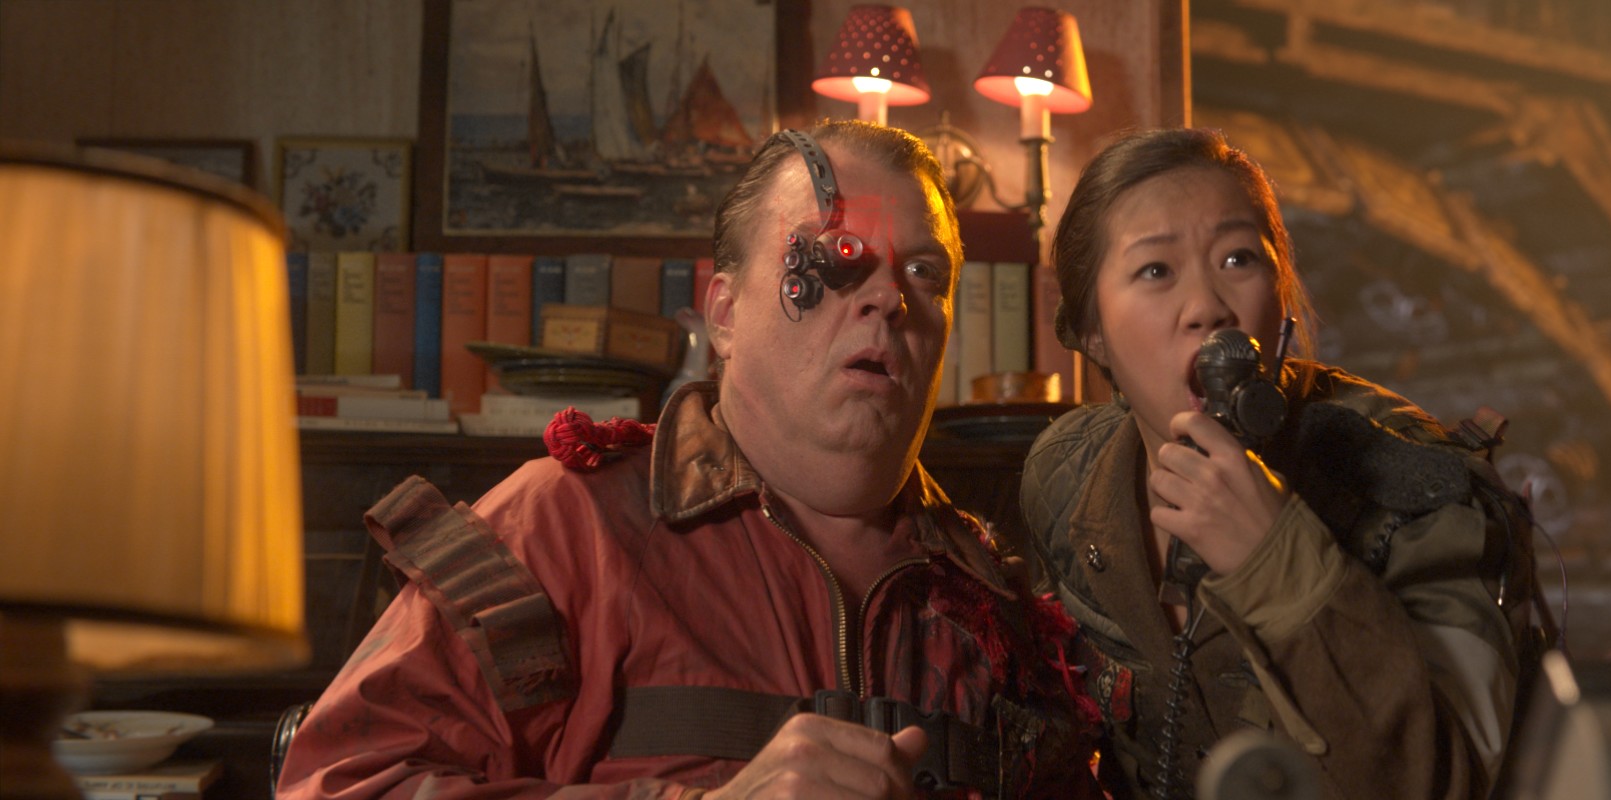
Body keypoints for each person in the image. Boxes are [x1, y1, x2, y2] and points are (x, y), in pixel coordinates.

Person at [278, 121, 1103, 799]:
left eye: (924, 272)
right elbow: (338, 785)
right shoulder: (563, 528)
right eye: (838, 254)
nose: (890, 297)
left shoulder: (994, 605)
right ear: (725, 315)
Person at [1020, 128, 1537, 800]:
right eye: (1156, 271)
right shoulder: (1064, 475)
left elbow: (1446, 783)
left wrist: (1278, 564)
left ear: (1282, 299)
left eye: (1238, 259)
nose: (1208, 307)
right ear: (1092, 332)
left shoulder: (1416, 489)